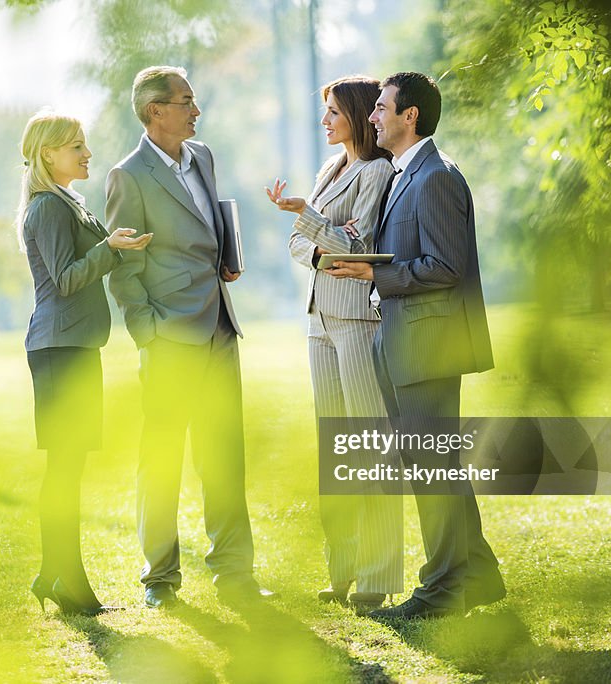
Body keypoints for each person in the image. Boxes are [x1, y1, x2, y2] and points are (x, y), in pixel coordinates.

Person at [326, 72, 505, 620]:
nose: (372, 117)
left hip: (428, 343)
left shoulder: (436, 177)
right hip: (402, 339)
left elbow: (445, 266)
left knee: (431, 466)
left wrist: (376, 275)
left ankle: (442, 589)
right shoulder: (408, 173)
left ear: (411, 117)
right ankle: (476, 575)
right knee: (434, 463)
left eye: (381, 108)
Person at [106, 66, 273, 608]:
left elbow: (207, 225)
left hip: (220, 327)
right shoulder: (127, 177)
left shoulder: (202, 156)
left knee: (224, 454)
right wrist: (149, 335)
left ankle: (235, 573)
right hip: (170, 338)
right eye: (186, 101)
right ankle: (160, 578)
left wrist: (227, 258)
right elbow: (123, 270)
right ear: (156, 110)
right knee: (162, 459)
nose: (196, 111)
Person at [264, 76, 403, 614]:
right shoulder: (330, 169)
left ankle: (378, 572)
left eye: (332, 112)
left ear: (358, 113)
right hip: (319, 317)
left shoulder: (376, 172)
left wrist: (314, 222)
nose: (325, 120)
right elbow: (304, 243)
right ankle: (342, 568)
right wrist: (321, 236)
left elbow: (361, 243)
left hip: (357, 320)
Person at [17, 109, 152, 616]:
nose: (87, 153)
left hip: (73, 347)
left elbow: (86, 261)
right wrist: (110, 247)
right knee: (64, 468)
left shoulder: (65, 202)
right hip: (59, 349)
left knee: (68, 467)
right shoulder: (48, 208)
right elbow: (67, 278)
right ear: (49, 154)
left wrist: (116, 247)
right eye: (76, 146)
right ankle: (63, 578)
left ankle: (56, 575)